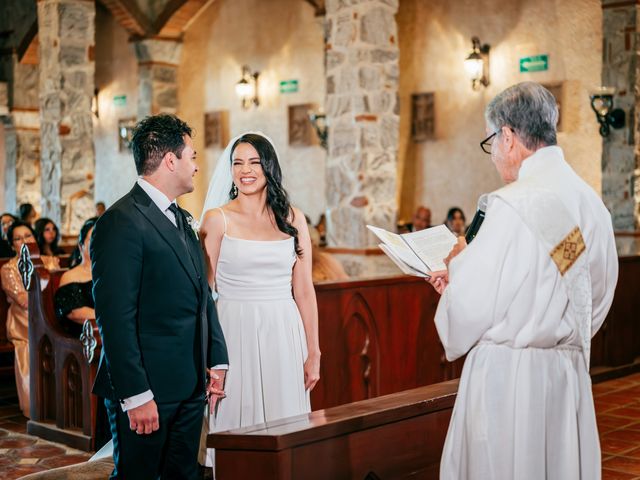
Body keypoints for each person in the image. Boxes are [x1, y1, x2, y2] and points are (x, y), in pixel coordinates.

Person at [427, 82, 618, 479]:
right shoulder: (590, 202)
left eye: (491, 141)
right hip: (566, 374)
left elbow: (470, 307)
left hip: (509, 380)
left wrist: (457, 273)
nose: (494, 154)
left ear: (508, 137)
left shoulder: (514, 204)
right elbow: (593, 294)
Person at [91, 114, 229, 479]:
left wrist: (217, 358)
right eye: (192, 156)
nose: (197, 166)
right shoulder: (121, 221)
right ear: (171, 160)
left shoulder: (181, 218)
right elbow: (115, 319)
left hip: (188, 385)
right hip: (146, 389)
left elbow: (202, 296)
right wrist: (136, 396)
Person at [200, 132, 320, 469]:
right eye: (237, 163)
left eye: (254, 162)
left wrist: (314, 351)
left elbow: (304, 290)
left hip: (283, 330)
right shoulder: (217, 219)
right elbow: (203, 296)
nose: (245, 170)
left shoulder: (293, 219)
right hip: (233, 331)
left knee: (286, 423)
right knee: (238, 422)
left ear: (268, 167)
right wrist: (210, 357)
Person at [0, 221, 38, 417]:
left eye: (28, 235)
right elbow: (23, 300)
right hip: (22, 319)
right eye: (18, 238)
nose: (24, 241)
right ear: (12, 244)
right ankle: (33, 404)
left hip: (43, 313)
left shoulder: (49, 261)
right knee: (28, 344)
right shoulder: (9, 268)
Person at [54, 218, 97, 337]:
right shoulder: (70, 276)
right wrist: (113, 317)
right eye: (93, 239)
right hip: (85, 337)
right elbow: (75, 312)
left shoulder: (112, 272)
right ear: (81, 245)